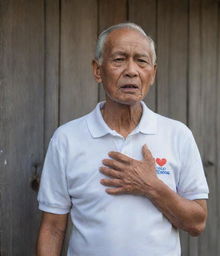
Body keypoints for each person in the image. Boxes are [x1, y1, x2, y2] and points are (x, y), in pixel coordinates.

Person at [36, 23, 209, 256]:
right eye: (119, 59)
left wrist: (151, 186)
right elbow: (53, 228)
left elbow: (197, 224)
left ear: (153, 73)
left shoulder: (178, 135)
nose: (131, 71)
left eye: (141, 61)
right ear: (98, 70)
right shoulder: (67, 139)